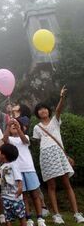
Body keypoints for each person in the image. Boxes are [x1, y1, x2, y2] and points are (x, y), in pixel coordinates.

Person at [33, 86, 84, 224]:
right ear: (37, 113)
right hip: (46, 156)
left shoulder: (55, 121)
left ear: (48, 111)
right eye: (39, 109)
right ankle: (56, 215)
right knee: (51, 186)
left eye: (44, 108)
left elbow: (59, 110)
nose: (42, 110)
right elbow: (39, 144)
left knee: (67, 184)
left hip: (59, 154)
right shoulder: (36, 128)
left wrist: (62, 97)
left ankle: (77, 213)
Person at [3, 119, 46, 226]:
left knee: (35, 194)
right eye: (12, 126)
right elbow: (4, 139)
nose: (14, 126)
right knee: (24, 196)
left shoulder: (25, 137)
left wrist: (18, 127)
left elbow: (24, 140)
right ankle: (29, 218)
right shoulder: (10, 139)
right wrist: (8, 126)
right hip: (17, 171)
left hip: (29, 169)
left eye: (16, 125)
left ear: (22, 128)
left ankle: (40, 218)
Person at [0, 143, 26, 226]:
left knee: (21, 216)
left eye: (0, 152)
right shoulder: (3, 166)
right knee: (7, 217)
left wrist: (20, 187)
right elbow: (2, 178)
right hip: (5, 196)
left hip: (15, 197)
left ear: (4, 155)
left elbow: (19, 177)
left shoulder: (14, 165)